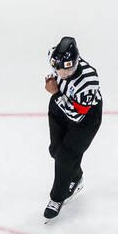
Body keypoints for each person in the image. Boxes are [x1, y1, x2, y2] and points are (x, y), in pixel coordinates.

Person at [42, 36, 103, 221]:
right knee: (56, 151)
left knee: (65, 156)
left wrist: (56, 94)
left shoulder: (88, 80)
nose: (63, 74)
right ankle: (75, 177)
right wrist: (57, 95)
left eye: (68, 69)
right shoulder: (56, 56)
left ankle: (57, 197)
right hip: (60, 105)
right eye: (58, 69)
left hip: (85, 118)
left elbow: (77, 115)